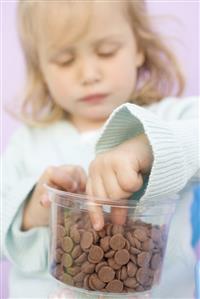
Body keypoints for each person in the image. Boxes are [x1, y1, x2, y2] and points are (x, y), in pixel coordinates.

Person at [2, 1, 199, 298]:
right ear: (40, 67)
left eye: (107, 51)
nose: (89, 74)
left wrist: (149, 147)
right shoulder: (27, 143)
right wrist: (31, 208)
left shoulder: (172, 118)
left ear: (138, 48)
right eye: (65, 60)